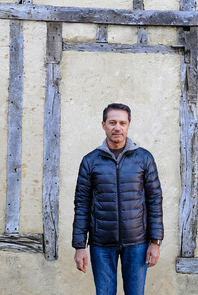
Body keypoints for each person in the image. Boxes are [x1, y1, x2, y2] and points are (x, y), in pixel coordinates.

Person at [72, 103, 163, 295]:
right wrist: (80, 246)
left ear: (128, 125)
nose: (117, 127)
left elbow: (155, 201)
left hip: (137, 243)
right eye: (112, 122)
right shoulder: (90, 161)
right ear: (103, 124)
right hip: (101, 244)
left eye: (122, 123)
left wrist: (155, 242)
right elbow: (82, 205)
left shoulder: (144, 158)